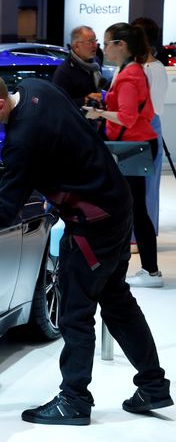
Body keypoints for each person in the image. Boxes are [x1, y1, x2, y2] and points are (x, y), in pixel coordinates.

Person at [0, 70, 172, 425]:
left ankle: (74, 400)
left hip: (93, 223)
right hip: (115, 204)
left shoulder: (22, 140)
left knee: (75, 311)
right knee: (116, 299)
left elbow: (4, 210)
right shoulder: (36, 89)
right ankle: (153, 385)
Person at [84, 22, 162, 288]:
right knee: (133, 208)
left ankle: (150, 271)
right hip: (133, 145)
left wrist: (99, 113)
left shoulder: (130, 75)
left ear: (121, 45)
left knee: (134, 209)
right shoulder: (129, 71)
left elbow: (128, 118)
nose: (103, 48)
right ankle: (148, 270)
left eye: (106, 43)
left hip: (132, 146)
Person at [131, 17, 168, 237]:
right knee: (139, 186)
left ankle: (141, 235)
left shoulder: (152, 68)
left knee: (145, 186)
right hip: (137, 127)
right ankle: (137, 234)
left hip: (144, 128)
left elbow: (152, 106)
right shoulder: (138, 67)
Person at [52, 26, 105, 113]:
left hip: (97, 120)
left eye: (95, 41)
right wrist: (85, 100)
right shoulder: (64, 72)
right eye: (90, 42)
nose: (95, 45)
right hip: (77, 123)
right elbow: (58, 104)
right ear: (77, 46)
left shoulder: (96, 62)